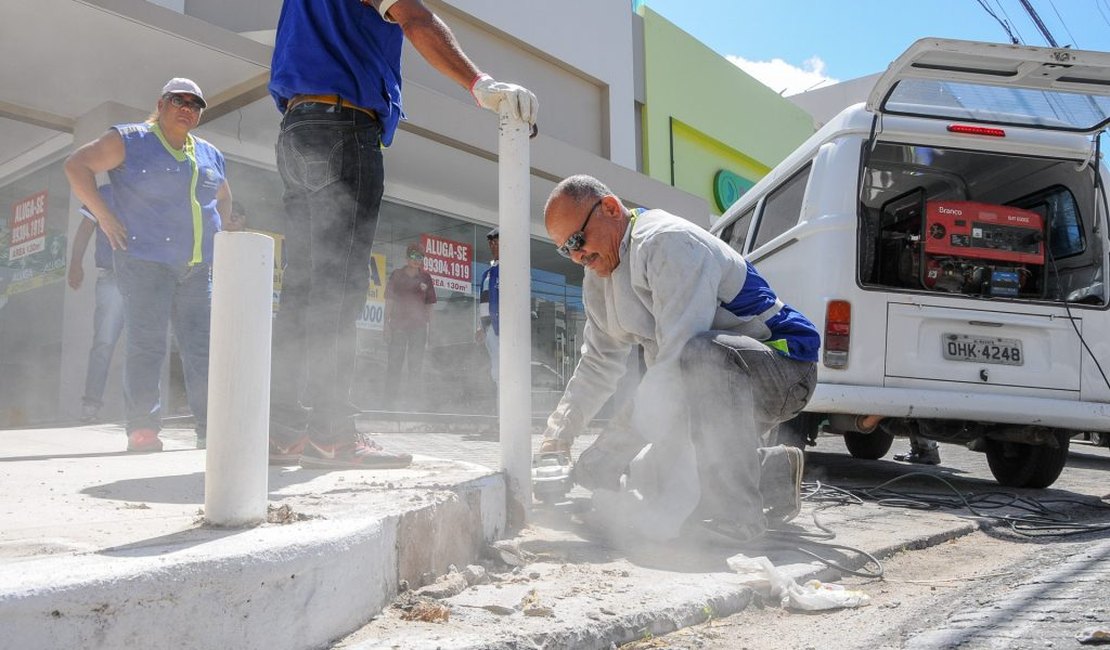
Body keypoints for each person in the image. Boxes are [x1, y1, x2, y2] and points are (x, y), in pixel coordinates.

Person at [266, 0, 537, 469]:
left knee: (304, 288)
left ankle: (280, 429)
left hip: (297, 128)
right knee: (340, 286)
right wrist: (481, 84)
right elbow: (415, 17)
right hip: (343, 128)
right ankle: (332, 435)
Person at [540, 175, 820, 545]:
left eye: (577, 240)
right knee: (652, 477)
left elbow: (678, 362)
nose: (577, 256)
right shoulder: (599, 279)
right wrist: (556, 441)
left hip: (784, 367)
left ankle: (736, 519)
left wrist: (608, 452)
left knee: (700, 359)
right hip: (708, 380)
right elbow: (597, 365)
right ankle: (777, 470)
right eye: (565, 250)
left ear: (609, 208)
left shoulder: (667, 243)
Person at [65, 78, 231, 452]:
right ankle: (143, 429)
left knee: (201, 349)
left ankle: (210, 429)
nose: (187, 108)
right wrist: (104, 217)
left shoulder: (208, 154)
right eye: (179, 100)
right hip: (145, 263)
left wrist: (218, 238)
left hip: (196, 269)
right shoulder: (129, 139)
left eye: (195, 104)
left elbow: (223, 197)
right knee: (147, 345)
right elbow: (77, 166)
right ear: (161, 104)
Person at [68, 185, 124, 423]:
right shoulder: (104, 193)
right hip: (112, 276)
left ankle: (143, 409)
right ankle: (91, 405)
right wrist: (75, 263)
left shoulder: (149, 189)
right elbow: (85, 229)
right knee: (103, 343)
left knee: (146, 344)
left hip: (146, 279)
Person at [383, 243, 437, 409]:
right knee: (394, 364)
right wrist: (385, 325)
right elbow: (389, 300)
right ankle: (388, 402)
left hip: (419, 327)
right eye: (413, 256)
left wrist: (432, 329)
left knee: (415, 365)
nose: (416, 260)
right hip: (398, 325)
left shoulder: (426, 278)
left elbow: (429, 305)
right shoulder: (397, 275)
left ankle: (412, 402)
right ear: (407, 257)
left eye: (420, 257)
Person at [476, 228, 500, 384]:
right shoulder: (488, 273)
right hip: (489, 328)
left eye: (496, 241)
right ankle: (500, 405)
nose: (493, 245)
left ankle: (504, 406)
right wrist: (481, 326)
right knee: (495, 368)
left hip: (501, 327)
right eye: (490, 242)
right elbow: (484, 301)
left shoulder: (511, 269)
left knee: (501, 368)